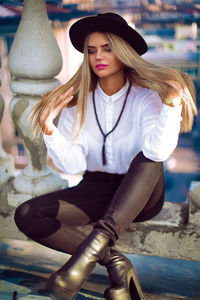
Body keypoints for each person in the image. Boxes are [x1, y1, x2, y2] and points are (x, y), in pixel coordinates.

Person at [14, 12, 197, 300]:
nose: (98, 56)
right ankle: (115, 262)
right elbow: (73, 165)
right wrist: (49, 130)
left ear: (123, 52)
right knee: (27, 213)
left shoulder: (146, 97)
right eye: (91, 50)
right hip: (97, 187)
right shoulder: (77, 103)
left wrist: (172, 103)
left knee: (148, 157)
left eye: (107, 48)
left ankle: (81, 264)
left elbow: (158, 152)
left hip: (140, 192)